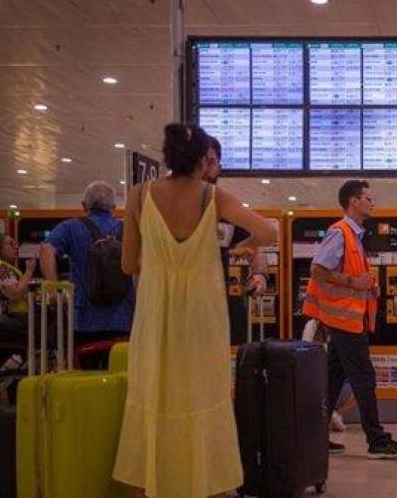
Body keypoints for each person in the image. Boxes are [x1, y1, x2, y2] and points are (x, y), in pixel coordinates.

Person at [113, 123, 277, 498]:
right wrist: (238, 249)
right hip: (203, 313)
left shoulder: (139, 195)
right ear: (204, 159)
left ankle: (152, 485)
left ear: (167, 157)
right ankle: (207, 486)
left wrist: (158, 264)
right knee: (204, 394)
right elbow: (269, 233)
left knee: (153, 394)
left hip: (156, 312)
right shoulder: (212, 197)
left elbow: (127, 265)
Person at [303, 180, 397, 459]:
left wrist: (367, 287)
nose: (372, 202)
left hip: (346, 321)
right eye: (367, 198)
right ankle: (377, 441)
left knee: (331, 380)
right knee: (365, 378)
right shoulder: (339, 233)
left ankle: (312, 438)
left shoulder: (354, 236)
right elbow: (318, 270)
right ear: (353, 201)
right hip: (344, 323)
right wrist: (355, 282)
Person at [40, 181, 134, 363]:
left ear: (84, 205)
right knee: (120, 378)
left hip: (85, 319)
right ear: (113, 207)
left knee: (87, 378)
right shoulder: (127, 229)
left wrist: (53, 289)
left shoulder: (71, 227)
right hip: (123, 318)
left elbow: (46, 249)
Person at [205, 137, 270, 344]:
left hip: (215, 308)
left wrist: (259, 275)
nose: (204, 168)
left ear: (219, 167)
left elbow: (256, 248)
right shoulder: (169, 209)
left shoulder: (226, 211)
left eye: (210, 161)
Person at [0, 235, 34, 358]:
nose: (16, 247)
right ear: (0, 249)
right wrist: (29, 271)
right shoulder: (1, 268)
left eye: (16, 243)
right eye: (11, 244)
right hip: (12, 318)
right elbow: (15, 293)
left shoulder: (8, 268)